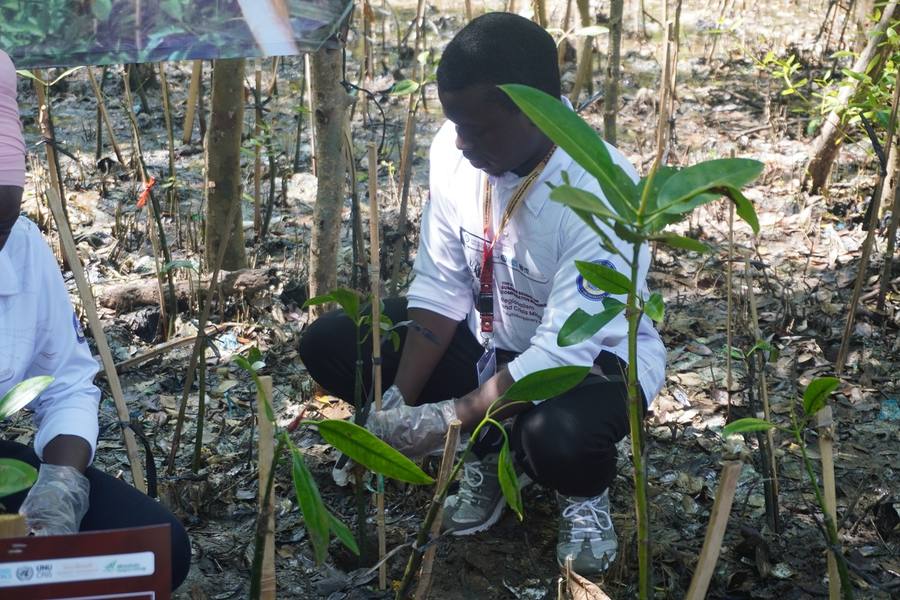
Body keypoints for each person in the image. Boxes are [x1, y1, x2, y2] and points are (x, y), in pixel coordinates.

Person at [299, 13, 666, 575]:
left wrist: (449, 417)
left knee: (556, 438)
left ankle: (582, 495)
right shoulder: (454, 147)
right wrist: (401, 401)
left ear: (539, 108)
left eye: (482, 129)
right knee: (332, 343)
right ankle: (491, 451)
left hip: (595, 362)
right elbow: (442, 284)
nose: (463, 143)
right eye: (455, 123)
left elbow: (563, 354)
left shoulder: (599, 187)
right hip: (489, 338)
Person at [0, 50, 191, 589]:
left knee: (156, 548)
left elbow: (64, 382)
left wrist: (59, 484)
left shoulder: (22, 248)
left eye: (2, 225)